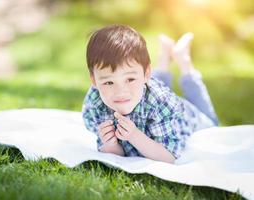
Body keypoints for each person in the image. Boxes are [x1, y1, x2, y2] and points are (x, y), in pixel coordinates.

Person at [82, 25, 218, 163]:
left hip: (189, 116)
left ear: (147, 74)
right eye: (109, 83)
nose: (120, 92)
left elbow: (169, 157)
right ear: (94, 80)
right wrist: (111, 145)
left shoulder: (161, 102)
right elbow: (117, 155)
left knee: (212, 121)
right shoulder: (95, 103)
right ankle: (164, 58)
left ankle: (184, 62)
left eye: (130, 79)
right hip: (147, 95)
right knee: (143, 88)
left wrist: (135, 136)